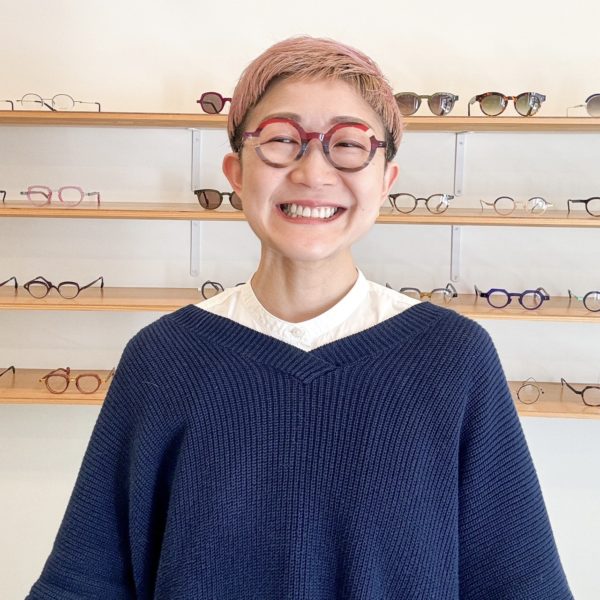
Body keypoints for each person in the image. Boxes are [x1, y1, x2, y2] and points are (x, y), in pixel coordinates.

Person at [27, 36, 573, 599]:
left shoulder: (452, 360)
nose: (313, 172)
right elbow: (83, 583)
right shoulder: (163, 359)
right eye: (282, 140)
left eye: (348, 144)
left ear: (386, 180)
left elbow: (521, 585)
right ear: (236, 173)